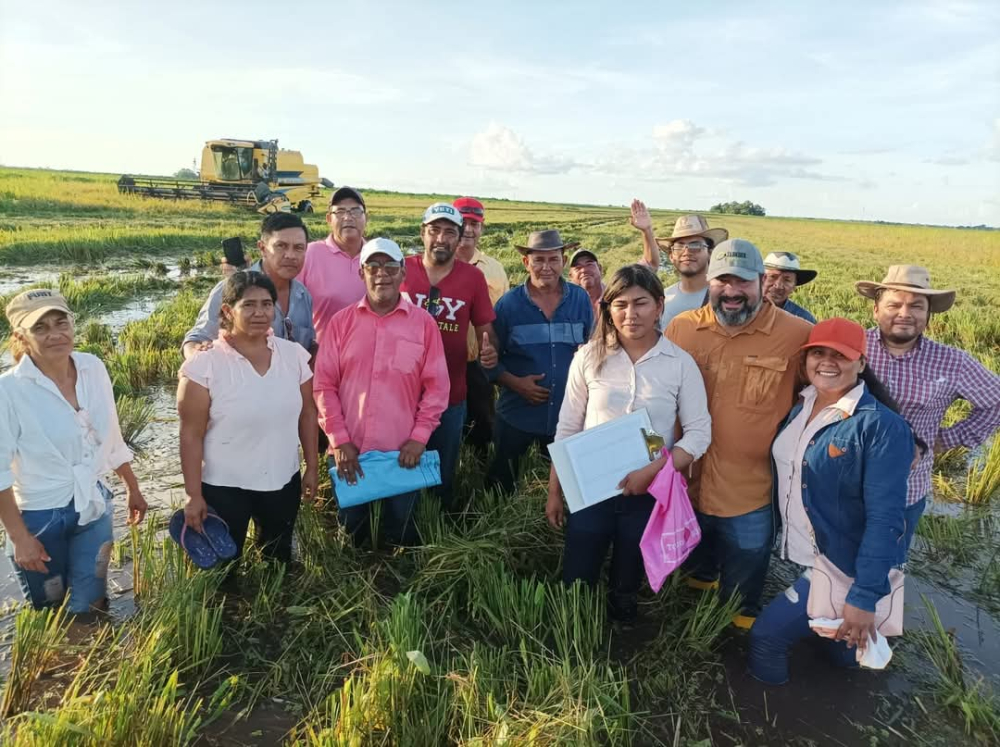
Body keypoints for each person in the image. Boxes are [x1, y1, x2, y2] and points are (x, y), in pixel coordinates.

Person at [749, 318, 914, 685]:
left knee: (766, 637)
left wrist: (865, 596)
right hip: (811, 553)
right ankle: (848, 686)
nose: (827, 361)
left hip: (841, 565)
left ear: (862, 364)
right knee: (840, 645)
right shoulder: (801, 404)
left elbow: (886, 518)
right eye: (818, 353)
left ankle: (769, 718)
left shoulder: (880, 427)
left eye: (840, 355)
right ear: (806, 359)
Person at [547, 265, 711, 621]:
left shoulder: (680, 364)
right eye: (619, 304)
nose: (630, 314)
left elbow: (699, 433)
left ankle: (622, 615)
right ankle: (575, 627)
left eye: (641, 303)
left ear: (659, 306)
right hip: (590, 488)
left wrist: (654, 470)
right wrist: (555, 491)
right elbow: (568, 427)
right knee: (579, 565)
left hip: (649, 491)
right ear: (608, 309)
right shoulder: (588, 358)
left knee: (630, 565)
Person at [666, 239, 812, 627]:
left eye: (743, 282)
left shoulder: (797, 336)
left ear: (763, 282)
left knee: (744, 577)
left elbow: (831, 392)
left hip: (750, 491)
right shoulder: (683, 329)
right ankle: (694, 611)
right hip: (689, 481)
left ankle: (736, 635)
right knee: (696, 563)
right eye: (722, 281)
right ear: (709, 282)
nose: (731, 292)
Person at [0, 289, 147, 613]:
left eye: (61, 322)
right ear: (20, 336)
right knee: (51, 609)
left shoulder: (92, 367)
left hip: (93, 505)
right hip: (39, 518)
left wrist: (132, 486)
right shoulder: (8, 390)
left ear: (72, 323)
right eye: (40, 328)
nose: (55, 334)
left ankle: (101, 661)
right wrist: (20, 538)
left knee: (92, 603)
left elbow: (110, 433)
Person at [856, 265, 1000, 554]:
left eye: (916, 306)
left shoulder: (952, 361)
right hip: (844, 481)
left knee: (885, 567)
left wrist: (945, 439)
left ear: (928, 316)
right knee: (830, 564)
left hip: (905, 488)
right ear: (875, 310)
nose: (904, 313)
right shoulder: (853, 346)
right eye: (894, 304)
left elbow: (995, 400)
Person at [314, 238, 450, 545]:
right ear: (361, 273)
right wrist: (339, 440)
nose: (381, 274)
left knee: (402, 528)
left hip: (402, 454)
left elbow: (437, 388)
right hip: (350, 452)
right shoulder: (341, 323)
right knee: (352, 529)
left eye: (390, 266)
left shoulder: (424, 324)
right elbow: (324, 385)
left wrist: (419, 438)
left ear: (403, 274)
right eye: (373, 266)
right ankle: (354, 584)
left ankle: (398, 588)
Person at [178, 272, 318, 566]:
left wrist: (311, 468)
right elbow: (191, 434)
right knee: (223, 567)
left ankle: (272, 610)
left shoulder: (293, 356)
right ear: (228, 311)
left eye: (267, 304)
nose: (260, 313)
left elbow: (308, 414)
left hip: (282, 478)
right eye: (249, 305)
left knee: (278, 560)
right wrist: (193, 495)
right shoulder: (203, 365)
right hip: (225, 486)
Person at [399, 203, 497, 510]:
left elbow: (486, 330)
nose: (441, 238)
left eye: (450, 232)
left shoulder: (472, 279)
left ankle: (435, 528)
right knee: (399, 471)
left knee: (441, 473)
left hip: (450, 395)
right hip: (399, 395)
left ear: (459, 238)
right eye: (435, 230)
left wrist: (490, 349)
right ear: (423, 233)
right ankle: (402, 534)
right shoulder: (400, 269)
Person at [482, 230, 594, 493]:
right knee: (502, 482)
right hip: (517, 414)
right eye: (539, 260)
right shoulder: (508, 306)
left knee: (563, 484)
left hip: (565, 415)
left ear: (563, 261)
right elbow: (489, 362)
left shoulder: (580, 300)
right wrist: (517, 384)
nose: (546, 267)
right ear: (526, 263)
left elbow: (591, 351)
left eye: (553, 259)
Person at [184, 213, 316, 360]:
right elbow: (196, 339)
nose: (290, 255)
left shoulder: (303, 294)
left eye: (298, 248)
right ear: (262, 248)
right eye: (281, 246)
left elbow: (307, 348)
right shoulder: (233, 288)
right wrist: (196, 356)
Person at [453, 197, 510, 456]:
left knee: (482, 423)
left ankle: (477, 471)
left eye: (474, 223)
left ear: (482, 229)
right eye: (462, 221)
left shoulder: (495, 270)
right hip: (440, 363)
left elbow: (502, 316)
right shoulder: (437, 266)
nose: (468, 229)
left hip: (477, 364)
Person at [630, 201, 729, 327]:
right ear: (671, 256)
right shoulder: (664, 300)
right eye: (679, 246)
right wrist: (647, 231)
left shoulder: (726, 297)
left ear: (710, 252)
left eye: (696, 245)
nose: (687, 251)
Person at [299, 187, 368, 344]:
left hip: (368, 358)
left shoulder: (376, 256)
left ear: (366, 217)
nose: (348, 217)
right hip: (321, 356)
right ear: (329, 219)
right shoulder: (311, 253)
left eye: (355, 211)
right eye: (340, 211)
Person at [762, 252, 818, 323]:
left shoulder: (805, 319)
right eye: (772, 277)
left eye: (787, 280)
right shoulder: (745, 311)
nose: (778, 285)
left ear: (794, 287)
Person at [567, 248, 605, 317]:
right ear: (571, 276)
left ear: (600, 269)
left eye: (589, 264)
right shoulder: (566, 304)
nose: (584, 270)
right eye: (578, 268)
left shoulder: (614, 296)